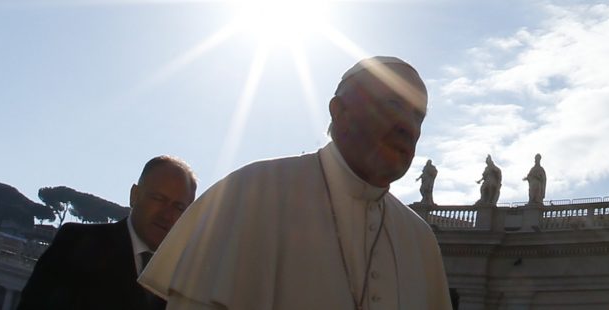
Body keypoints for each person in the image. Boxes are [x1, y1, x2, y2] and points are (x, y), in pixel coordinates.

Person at [139, 56, 452, 310]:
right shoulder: (250, 193)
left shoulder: (419, 239)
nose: (408, 127)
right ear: (339, 111)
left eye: (418, 116)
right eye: (394, 104)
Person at [18, 155, 197, 310]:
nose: (167, 214)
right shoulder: (77, 243)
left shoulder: (185, 277)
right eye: (158, 199)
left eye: (179, 207)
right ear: (134, 195)